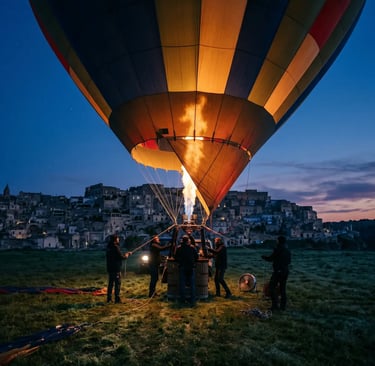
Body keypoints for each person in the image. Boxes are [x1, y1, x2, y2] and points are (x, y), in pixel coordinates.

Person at [261, 235, 291, 311]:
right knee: (282, 289)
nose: (276, 241)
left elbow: (271, 258)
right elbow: (289, 261)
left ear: (279, 241)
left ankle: (275, 306)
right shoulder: (287, 250)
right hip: (285, 271)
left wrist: (264, 257)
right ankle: (282, 307)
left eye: (277, 240)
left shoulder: (278, 249)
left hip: (278, 272)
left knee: (271, 287)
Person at [106, 234, 132, 303]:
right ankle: (117, 299)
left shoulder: (109, 247)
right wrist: (127, 255)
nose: (118, 239)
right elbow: (121, 257)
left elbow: (117, 255)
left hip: (110, 268)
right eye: (117, 238)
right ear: (115, 239)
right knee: (117, 284)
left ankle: (109, 298)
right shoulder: (115, 247)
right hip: (116, 268)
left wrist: (125, 254)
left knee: (110, 283)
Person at [174, 235, 199, 305]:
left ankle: (182, 299)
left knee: (182, 284)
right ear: (188, 241)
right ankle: (193, 299)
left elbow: (175, 257)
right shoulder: (192, 248)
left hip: (182, 267)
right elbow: (196, 257)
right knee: (192, 284)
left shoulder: (179, 248)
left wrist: (180, 261)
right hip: (191, 267)